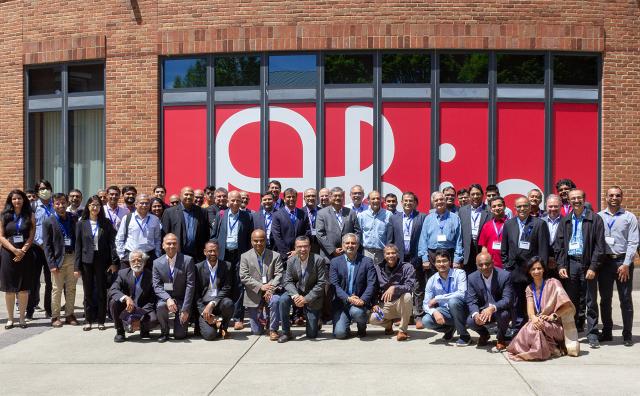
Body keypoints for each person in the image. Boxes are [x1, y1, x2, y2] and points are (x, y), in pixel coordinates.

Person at [555, 189, 605, 348]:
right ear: (568, 201)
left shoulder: (595, 219)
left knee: (590, 301)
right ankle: (571, 332)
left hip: (588, 264)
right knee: (571, 301)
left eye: (579, 198)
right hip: (571, 265)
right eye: (573, 198)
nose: (576, 201)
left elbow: (600, 246)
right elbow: (559, 246)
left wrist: (593, 267)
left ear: (584, 199)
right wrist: (562, 265)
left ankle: (592, 334)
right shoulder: (565, 220)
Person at [507, 257, 579, 360]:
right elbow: (530, 310)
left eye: (539, 268)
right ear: (529, 271)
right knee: (534, 327)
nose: (536, 271)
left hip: (556, 325)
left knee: (534, 327)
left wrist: (553, 316)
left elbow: (567, 306)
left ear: (544, 269)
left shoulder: (554, 283)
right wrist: (534, 318)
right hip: (539, 321)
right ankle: (552, 349)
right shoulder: (529, 288)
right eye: (533, 269)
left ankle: (540, 352)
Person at [501, 196, 549, 337]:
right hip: (514, 271)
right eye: (519, 206)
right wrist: (507, 265)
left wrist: (540, 270)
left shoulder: (539, 224)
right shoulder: (509, 224)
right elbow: (504, 248)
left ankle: (533, 327)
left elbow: (543, 250)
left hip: (532, 272)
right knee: (516, 302)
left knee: (533, 300)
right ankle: (517, 328)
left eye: (525, 206)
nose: (522, 209)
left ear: (530, 207)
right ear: (515, 208)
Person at [597, 186, 638, 346]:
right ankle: (607, 332)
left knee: (625, 299)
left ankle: (627, 334)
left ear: (622, 197)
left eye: (618, 195)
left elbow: (633, 241)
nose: (614, 198)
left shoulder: (630, 217)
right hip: (605, 263)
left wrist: (627, 263)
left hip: (623, 262)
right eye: (611, 195)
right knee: (605, 299)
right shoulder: (599, 217)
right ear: (606, 197)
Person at [416, 191, 463, 329]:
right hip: (431, 254)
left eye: (441, 199)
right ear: (432, 202)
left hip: (449, 252)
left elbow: (459, 240)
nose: (439, 202)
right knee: (432, 285)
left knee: (450, 283)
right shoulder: (429, 218)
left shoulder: (455, 218)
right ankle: (434, 313)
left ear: (446, 200)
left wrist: (457, 258)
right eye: (436, 200)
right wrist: (424, 258)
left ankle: (451, 312)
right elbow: (423, 239)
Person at [74, 195, 119, 331]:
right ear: (88, 207)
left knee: (101, 291)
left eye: (98, 205)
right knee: (87, 292)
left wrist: (113, 262)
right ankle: (88, 320)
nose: (95, 208)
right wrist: (77, 267)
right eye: (92, 205)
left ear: (101, 207)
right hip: (86, 261)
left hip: (102, 261)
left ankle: (101, 320)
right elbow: (78, 246)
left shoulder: (105, 223)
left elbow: (112, 244)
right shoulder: (81, 223)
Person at [213, 190, 253, 330]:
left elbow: (249, 238)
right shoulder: (221, 215)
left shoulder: (247, 217)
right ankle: (221, 315)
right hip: (224, 255)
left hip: (240, 255)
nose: (235, 203)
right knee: (222, 285)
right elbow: (214, 236)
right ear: (228, 201)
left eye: (238, 200)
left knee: (239, 285)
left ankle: (238, 318)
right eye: (233, 200)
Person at [279, 236, 327, 343]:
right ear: (295, 248)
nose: (302, 249)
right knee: (282, 300)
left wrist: (306, 299)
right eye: (299, 247)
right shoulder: (291, 260)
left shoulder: (318, 260)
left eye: (305, 246)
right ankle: (286, 332)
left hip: (312, 296)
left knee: (311, 335)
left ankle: (316, 320)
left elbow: (321, 283)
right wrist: (296, 296)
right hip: (297, 292)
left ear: (310, 247)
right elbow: (287, 281)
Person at [388, 191, 426, 323]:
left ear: (415, 203)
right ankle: (404, 316)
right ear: (401, 202)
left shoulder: (422, 217)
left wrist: (422, 256)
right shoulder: (394, 218)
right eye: (406, 200)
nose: (408, 203)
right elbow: (390, 239)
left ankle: (418, 315)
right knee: (401, 286)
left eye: (411, 201)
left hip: (416, 256)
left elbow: (424, 238)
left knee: (417, 286)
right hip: (400, 258)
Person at [43, 193, 80, 328]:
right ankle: (55, 316)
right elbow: (47, 245)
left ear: (67, 203)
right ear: (53, 205)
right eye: (57, 203)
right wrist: (51, 264)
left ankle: (69, 315)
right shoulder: (48, 221)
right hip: (58, 260)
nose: (61, 205)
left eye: (63, 202)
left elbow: (78, 239)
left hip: (72, 257)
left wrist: (78, 261)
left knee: (71, 288)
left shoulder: (73, 218)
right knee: (56, 289)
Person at [330, 233, 376, 339]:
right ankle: (345, 325)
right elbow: (334, 285)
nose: (350, 245)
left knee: (357, 312)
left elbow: (371, 283)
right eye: (347, 243)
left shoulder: (367, 262)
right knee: (340, 334)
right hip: (342, 303)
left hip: (359, 303)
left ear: (358, 245)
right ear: (342, 245)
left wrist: (363, 300)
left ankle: (361, 327)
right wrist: (348, 298)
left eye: (353, 243)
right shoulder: (335, 262)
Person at [239, 229, 283, 339]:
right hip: (254, 295)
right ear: (251, 241)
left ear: (266, 241)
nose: (259, 243)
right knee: (256, 332)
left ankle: (273, 329)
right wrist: (260, 286)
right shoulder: (245, 256)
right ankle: (262, 322)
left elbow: (279, 274)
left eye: (261, 240)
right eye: (256, 241)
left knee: (276, 300)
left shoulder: (275, 255)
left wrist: (270, 288)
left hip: (270, 292)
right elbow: (244, 276)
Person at [0, 190, 35, 329]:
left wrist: (23, 250)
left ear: (23, 200)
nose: (17, 201)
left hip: (25, 255)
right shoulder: (4, 216)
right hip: (8, 254)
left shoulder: (30, 215)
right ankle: (10, 319)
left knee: (23, 288)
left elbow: (31, 235)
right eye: (14, 199)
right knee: (10, 288)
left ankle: (22, 319)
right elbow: (1, 236)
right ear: (10, 201)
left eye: (19, 198)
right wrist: (14, 250)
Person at [421, 249, 471, 346]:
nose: (441, 264)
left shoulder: (460, 273)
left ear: (450, 262)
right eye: (438, 262)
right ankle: (449, 329)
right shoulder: (432, 280)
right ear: (435, 264)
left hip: (462, 310)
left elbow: (462, 294)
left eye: (444, 261)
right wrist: (434, 312)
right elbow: (426, 304)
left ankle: (464, 335)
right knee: (426, 321)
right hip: (445, 311)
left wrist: (438, 298)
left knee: (453, 302)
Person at [465, 252, 513, 350]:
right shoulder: (472, 278)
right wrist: (476, 314)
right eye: (480, 265)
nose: (484, 267)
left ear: (493, 262)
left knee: (504, 315)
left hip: (499, 309)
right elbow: (471, 300)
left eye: (487, 263)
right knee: (470, 321)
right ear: (476, 265)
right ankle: (484, 335)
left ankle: (501, 338)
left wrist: (493, 308)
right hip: (483, 310)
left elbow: (507, 299)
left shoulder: (505, 276)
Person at [152, 233, 195, 342]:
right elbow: (157, 286)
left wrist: (185, 309)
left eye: (174, 243)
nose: (171, 246)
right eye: (168, 243)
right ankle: (164, 331)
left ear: (178, 246)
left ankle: (181, 324)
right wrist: (167, 299)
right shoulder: (156, 263)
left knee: (179, 335)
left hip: (181, 300)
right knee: (161, 306)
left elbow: (190, 286)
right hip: (166, 299)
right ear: (163, 245)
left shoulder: (187, 260)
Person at [109, 250, 158, 342]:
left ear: (144, 262)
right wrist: (126, 298)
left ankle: (143, 329)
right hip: (127, 307)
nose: (136, 263)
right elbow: (113, 289)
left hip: (143, 307)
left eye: (139, 260)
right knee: (114, 302)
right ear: (129, 262)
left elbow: (152, 299)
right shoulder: (122, 274)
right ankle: (120, 331)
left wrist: (139, 316)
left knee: (153, 320)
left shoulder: (151, 276)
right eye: (133, 261)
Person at [369, 244, 415, 341]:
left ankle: (402, 331)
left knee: (407, 296)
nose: (391, 255)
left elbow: (410, 286)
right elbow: (373, 288)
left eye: (393, 253)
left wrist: (394, 287)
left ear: (398, 254)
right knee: (373, 319)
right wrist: (374, 303)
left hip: (401, 304)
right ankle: (388, 325)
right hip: (385, 305)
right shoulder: (378, 268)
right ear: (384, 255)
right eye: (388, 253)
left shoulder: (407, 267)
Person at [194, 240, 234, 340]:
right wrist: (204, 312)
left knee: (228, 303)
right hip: (204, 306)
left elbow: (226, 288)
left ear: (218, 251)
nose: (212, 253)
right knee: (210, 336)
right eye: (210, 251)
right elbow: (196, 293)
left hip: (218, 303)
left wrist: (212, 303)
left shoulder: (226, 266)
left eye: (215, 251)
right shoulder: (197, 268)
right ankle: (212, 323)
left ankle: (223, 327)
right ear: (204, 252)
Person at [27, 179, 54, 320]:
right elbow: (30, 227)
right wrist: (38, 242)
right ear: (37, 192)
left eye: (47, 188)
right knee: (33, 280)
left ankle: (49, 310)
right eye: (41, 188)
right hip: (36, 248)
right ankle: (30, 309)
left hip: (51, 250)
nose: (45, 190)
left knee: (50, 282)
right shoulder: (32, 206)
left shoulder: (55, 205)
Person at [161, 186, 209, 262]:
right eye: (186, 194)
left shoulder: (202, 212)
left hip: (197, 255)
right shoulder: (169, 212)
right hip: (177, 254)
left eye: (191, 195)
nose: (189, 197)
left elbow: (206, 233)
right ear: (180, 196)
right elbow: (164, 234)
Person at [116, 194, 162, 269]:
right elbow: (120, 238)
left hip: (149, 256)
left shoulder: (155, 219)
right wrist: (122, 255)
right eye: (142, 203)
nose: (144, 205)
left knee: (148, 280)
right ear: (136, 204)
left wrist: (157, 255)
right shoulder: (127, 218)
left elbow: (157, 239)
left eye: (147, 203)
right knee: (128, 280)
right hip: (130, 256)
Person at [316, 187, 362, 259]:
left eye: (340, 196)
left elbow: (357, 232)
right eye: (335, 196)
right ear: (330, 197)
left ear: (343, 197)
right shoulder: (321, 213)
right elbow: (320, 234)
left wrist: (351, 247)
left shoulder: (351, 213)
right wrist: (333, 250)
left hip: (349, 254)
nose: (338, 198)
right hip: (329, 256)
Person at [459, 184, 492, 273]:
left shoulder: (489, 210)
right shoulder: (462, 211)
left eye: (478, 194)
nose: (475, 196)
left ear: (482, 195)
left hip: (482, 248)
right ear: (469, 196)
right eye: (472, 194)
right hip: (467, 249)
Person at [272, 188, 310, 263]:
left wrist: (297, 251)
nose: (291, 199)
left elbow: (306, 233)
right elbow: (277, 236)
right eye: (288, 197)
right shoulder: (277, 215)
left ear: (296, 198)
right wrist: (287, 254)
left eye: (293, 197)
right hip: (283, 256)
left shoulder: (303, 214)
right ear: (284, 199)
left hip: (301, 254)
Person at [357, 190, 391, 264]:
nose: (376, 200)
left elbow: (390, 235)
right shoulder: (362, 216)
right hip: (366, 252)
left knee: (381, 275)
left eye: (378, 198)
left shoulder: (388, 215)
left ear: (381, 200)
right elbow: (358, 234)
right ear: (368, 200)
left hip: (382, 253)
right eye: (373, 199)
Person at [477, 196, 507, 269]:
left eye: (499, 205)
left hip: (506, 265)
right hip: (490, 266)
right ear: (491, 209)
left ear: (504, 207)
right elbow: (484, 247)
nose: (497, 208)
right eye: (494, 206)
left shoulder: (511, 224)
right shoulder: (487, 225)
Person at [303, 188, 321, 254]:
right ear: (304, 198)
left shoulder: (323, 212)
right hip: (304, 246)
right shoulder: (300, 212)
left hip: (320, 246)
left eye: (313, 196)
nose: (311, 198)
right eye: (308, 196)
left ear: (317, 198)